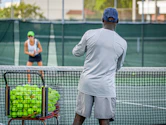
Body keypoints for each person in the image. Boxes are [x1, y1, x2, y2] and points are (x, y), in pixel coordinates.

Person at [72, 8, 127, 125]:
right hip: (106, 87)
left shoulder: (89, 34)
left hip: (86, 84)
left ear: (102, 20)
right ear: (117, 21)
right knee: (104, 120)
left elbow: (76, 52)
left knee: (79, 117)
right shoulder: (122, 43)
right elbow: (118, 66)